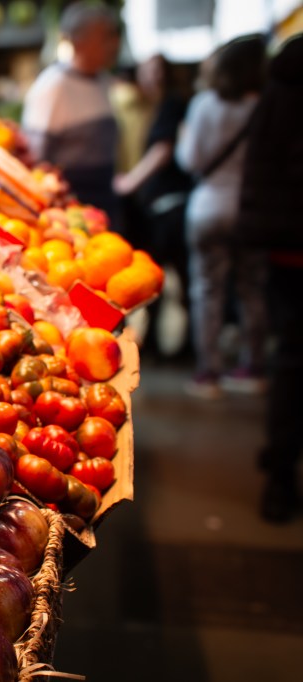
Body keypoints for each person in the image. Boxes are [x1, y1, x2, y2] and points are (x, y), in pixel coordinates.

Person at [232, 34, 303, 523]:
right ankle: (280, 471)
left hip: (287, 250)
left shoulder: (277, 94)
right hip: (292, 249)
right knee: (295, 366)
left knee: (292, 365)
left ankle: (280, 468)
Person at [175, 35, 268, 399]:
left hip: (208, 208)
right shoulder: (262, 107)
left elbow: (191, 161)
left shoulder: (204, 105)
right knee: (251, 290)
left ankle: (208, 372)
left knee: (207, 291)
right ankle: (253, 365)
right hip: (249, 210)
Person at [113, 54, 195, 359]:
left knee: (169, 277)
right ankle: (161, 344)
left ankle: (184, 347)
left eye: (160, 72)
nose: (154, 77)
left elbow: (164, 149)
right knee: (160, 277)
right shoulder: (151, 106)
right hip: (158, 205)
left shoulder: (171, 105)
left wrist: (130, 182)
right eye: (148, 71)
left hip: (170, 204)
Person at [20, 1, 122, 225]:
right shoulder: (53, 86)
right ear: (79, 41)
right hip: (69, 212)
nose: (114, 44)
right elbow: (35, 158)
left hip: (105, 201)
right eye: (105, 37)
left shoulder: (103, 81)